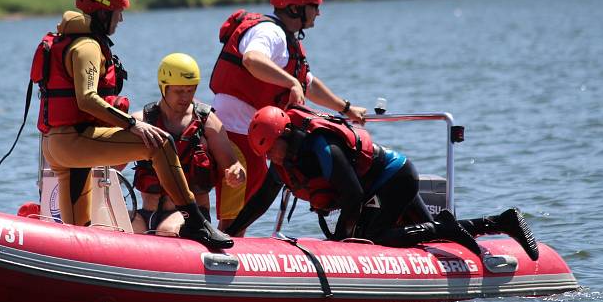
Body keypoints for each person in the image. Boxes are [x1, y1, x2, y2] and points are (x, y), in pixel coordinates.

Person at [36, 0, 234, 249]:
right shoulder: (88, 47)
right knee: (160, 143)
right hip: (76, 141)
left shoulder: (69, 41)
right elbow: (88, 99)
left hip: (56, 146)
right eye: (117, 13)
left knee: (77, 233)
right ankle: (195, 221)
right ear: (102, 12)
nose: (120, 20)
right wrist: (133, 125)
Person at [225, 105, 539, 260]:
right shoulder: (283, 162)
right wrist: (231, 233)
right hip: (378, 188)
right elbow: (260, 200)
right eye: (267, 155)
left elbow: (353, 195)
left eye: (274, 150)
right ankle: (501, 220)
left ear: (286, 135)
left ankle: (445, 226)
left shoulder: (321, 147)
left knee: (376, 237)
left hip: (396, 178)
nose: (274, 159)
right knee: (433, 237)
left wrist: (339, 242)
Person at [209, 0, 367, 235]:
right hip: (235, 131)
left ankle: (232, 250)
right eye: (313, 7)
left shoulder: (286, 38)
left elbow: (308, 83)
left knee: (243, 210)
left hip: (251, 133)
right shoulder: (269, 32)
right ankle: (222, 258)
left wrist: (345, 108)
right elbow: (252, 59)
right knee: (234, 215)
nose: (318, 13)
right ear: (295, 8)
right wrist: (291, 82)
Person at [131, 53, 247, 235]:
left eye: (190, 90)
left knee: (166, 230)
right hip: (147, 213)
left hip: (192, 215)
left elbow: (233, 164)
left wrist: (237, 174)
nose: (185, 97)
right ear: (164, 87)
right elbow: (111, 166)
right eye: (179, 91)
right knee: (113, 222)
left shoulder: (208, 123)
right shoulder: (141, 122)